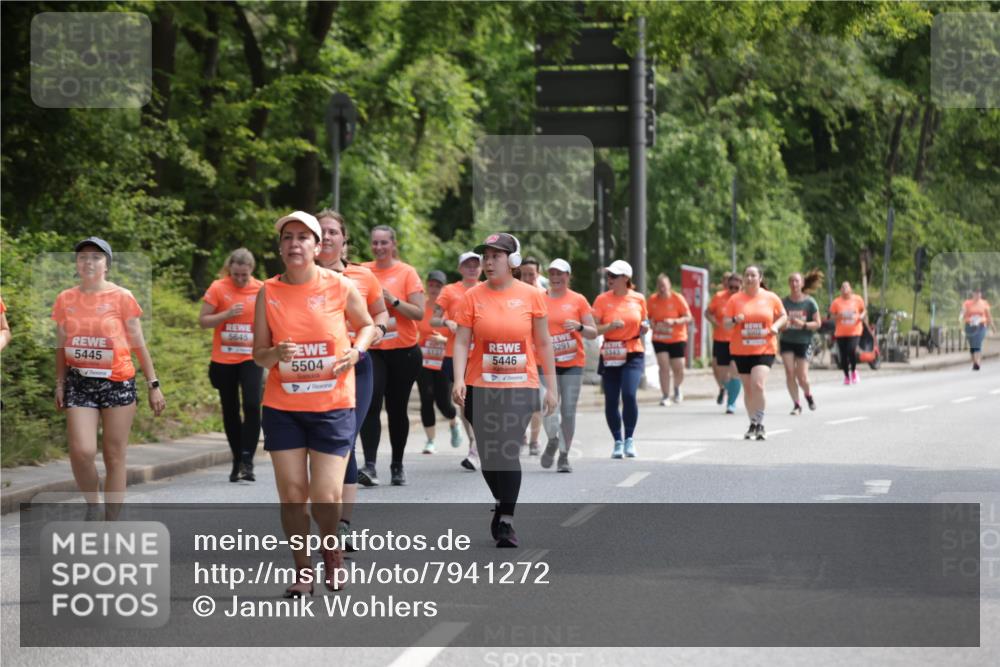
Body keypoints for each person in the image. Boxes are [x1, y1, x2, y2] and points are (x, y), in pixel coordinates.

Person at [253, 211, 375, 596]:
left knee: (325, 497)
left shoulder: (339, 285)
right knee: (292, 495)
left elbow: (368, 325)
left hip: (333, 405)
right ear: (280, 247)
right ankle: (303, 569)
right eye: (288, 237)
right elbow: (259, 355)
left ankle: (331, 550)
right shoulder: (267, 292)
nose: (295, 244)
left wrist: (356, 351)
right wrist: (276, 353)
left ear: (317, 246)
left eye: (303, 237)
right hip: (283, 407)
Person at [452, 233, 557, 548]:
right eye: (485, 256)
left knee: (508, 451)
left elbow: (543, 342)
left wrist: (551, 387)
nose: (488, 262)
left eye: (496, 256)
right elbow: (461, 341)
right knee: (489, 456)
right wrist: (458, 380)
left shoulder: (532, 295)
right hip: (480, 385)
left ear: (513, 261)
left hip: (519, 386)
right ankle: (501, 501)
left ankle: (506, 522)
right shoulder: (472, 296)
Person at [52, 237, 166, 519]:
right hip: (80, 383)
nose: (88, 262)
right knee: (82, 451)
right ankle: (93, 506)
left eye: (96, 257)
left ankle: (111, 522)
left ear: (107, 265)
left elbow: (138, 343)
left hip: (117, 382)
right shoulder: (66, 299)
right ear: (76, 264)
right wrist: (60, 383)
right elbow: (61, 345)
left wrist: (153, 384)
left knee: (114, 455)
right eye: (83, 257)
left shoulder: (122, 297)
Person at [315, 209, 387, 550]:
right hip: (316, 370)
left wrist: (378, 330)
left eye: (333, 232)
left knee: (344, 440)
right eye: (321, 232)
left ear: (344, 239)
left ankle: (342, 525)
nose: (327, 237)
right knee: (321, 444)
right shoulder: (298, 277)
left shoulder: (363, 276)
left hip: (357, 368)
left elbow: (380, 312)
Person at [360, 225, 425, 486]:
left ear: (393, 244)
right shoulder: (363, 271)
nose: (379, 247)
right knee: (371, 404)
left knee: (397, 410)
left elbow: (419, 313)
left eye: (384, 243)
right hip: (373, 349)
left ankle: (397, 464)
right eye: (375, 243)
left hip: (403, 351)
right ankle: (370, 466)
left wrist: (393, 301)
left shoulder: (407, 272)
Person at [199, 249, 264, 482]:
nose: (239, 279)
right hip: (224, 359)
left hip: (251, 358)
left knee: (252, 405)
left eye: (244, 275)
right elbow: (203, 321)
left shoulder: (261, 289)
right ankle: (237, 460)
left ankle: (248, 459)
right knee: (230, 409)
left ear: (251, 270)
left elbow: (272, 320)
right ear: (230, 270)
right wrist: (225, 314)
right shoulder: (218, 287)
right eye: (235, 274)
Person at [540, 259, 596, 472]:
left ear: (568, 276)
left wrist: (580, 327)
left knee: (568, 411)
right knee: (548, 407)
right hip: (546, 363)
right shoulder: (539, 299)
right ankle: (553, 439)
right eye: (552, 273)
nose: (556, 277)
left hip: (572, 363)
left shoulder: (578, 300)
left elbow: (593, 332)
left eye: (560, 273)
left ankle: (564, 456)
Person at [723, 265, 787, 440]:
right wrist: (735, 320)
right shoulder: (735, 299)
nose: (749, 278)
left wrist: (775, 326)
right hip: (741, 349)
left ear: (760, 278)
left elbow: (784, 316)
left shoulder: (770, 297)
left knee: (758, 384)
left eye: (753, 275)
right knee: (748, 388)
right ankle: (752, 422)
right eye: (747, 275)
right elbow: (725, 324)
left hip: (764, 348)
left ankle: (760, 422)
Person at [592, 260, 649, 459]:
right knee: (611, 399)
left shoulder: (638, 298)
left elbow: (644, 320)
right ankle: (617, 440)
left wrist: (645, 327)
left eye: (614, 276)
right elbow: (593, 329)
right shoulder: (601, 300)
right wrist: (608, 327)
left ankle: (629, 439)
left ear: (626, 278)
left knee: (629, 394)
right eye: (608, 275)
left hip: (633, 351)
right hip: (610, 352)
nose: (610, 279)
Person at [433, 251, 482, 470]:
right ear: (460, 268)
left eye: (475, 264)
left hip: (481, 355)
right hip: (456, 355)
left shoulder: (487, 289)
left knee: (480, 402)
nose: (472, 268)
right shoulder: (449, 291)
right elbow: (434, 319)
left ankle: (477, 448)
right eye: (467, 264)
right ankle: (473, 442)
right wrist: (447, 322)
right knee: (463, 402)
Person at [416, 270, 460, 454]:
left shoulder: (449, 309)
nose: (434, 288)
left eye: (438, 285)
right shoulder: (421, 307)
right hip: (424, 359)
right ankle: (430, 441)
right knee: (426, 398)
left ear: (444, 288)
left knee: (444, 403)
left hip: (444, 359)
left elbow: (460, 335)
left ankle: (454, 420)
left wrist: (444, 340)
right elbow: (414, 329)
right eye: (431, 285)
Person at [516, 256, 547, 455]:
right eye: (524, 274)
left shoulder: (544, 295)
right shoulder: (514, 294)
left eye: (531, 275)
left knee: (536, 401)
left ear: (538, 274)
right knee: (519, 400)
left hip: (539, 357)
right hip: (519, 355)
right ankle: (521, 434)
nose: (528, 278)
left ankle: (534, 440)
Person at [780, 271, 822, 414]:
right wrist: (783, 326)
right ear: (789, 284)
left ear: (802, 283)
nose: (794, 284)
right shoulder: (784, 302)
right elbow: (777, 322)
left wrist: (803, 325)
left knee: (802, 376)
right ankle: (797, 404)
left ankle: (808, 395)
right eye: (791, 281)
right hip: (787, 341)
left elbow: (818, 323)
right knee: (789, 372)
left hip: (805, 342)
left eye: (797, 281)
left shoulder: (810, 302)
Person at [647, 273, 693, 406]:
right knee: (663, 366)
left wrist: (674, 321)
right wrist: (651, 324)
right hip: (659, 337)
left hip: (677, 337)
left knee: (679, 367)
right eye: (660, 286)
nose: (662, 289)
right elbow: (645, 318)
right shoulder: (652, 300)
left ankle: (677, 388)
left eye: (664, 286)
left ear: (669, 286)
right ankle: (665, 395)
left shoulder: (677, 298)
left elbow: (688, 317)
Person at [706, 273, 743, 414]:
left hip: (738, 341)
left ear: (741, 286)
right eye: (730, 287)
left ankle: (731, 403)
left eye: (736, 287)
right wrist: (714, 321)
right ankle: (727, 389)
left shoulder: (745, 299)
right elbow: (708, 312)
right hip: (721, 340)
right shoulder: (719, 297)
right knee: (722, 375)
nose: (733, 290)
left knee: (735, 371)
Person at [829, 281, 866, 385]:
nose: (844, 289)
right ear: (841, 290)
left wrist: (861, 316)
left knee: (851, 350)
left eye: (846, 287)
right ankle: (846, 376)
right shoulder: (836, 302)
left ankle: (853, 371)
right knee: (843, 355)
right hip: (841, 332)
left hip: (855, 331)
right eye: (842, 287)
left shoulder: (857, 299)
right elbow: (831, 316)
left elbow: (863, 310)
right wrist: (838, 316)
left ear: (850, 289)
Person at [960, 288, 994, 371]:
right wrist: (961, 316)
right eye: (976, 293)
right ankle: (974, 362)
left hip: (981, 326)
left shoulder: (984, 303)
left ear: (981, 294)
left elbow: (988, 315)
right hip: (969, 326)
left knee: (977, 343)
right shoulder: (967, 303)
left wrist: (993, 326)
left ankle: (977, 362)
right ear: (973, 294)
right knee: (972, 345)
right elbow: (963, 311)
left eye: (979, 293)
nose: (978, 295)